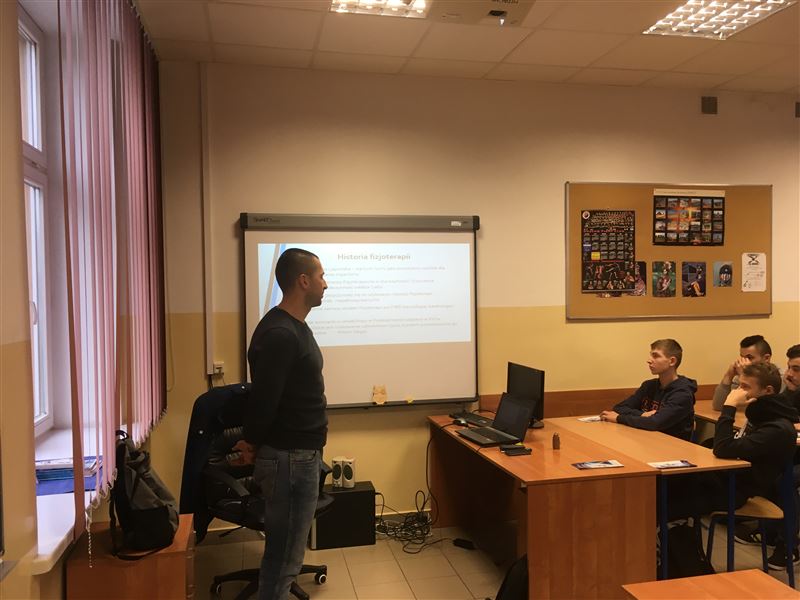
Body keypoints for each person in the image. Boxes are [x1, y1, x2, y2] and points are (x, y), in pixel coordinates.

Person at [236, 248, 329, 600]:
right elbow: (265, 400)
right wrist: (251, 442)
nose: (325, 284)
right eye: (321, 276)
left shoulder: (293, 327)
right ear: (303, 281)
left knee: (285, 555)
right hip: (291, 459)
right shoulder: (281, 334)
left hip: (299, 455)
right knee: (285, 559)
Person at [712, 363, 799, 569]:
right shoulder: (762, 412)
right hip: (732, 479)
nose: (738, 392)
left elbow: (722, 448)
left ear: (767, 391)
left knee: (785, 482)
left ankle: (786, 544)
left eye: (745, 387)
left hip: (739, 488)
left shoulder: (776, 425)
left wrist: (729, 406)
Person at [600, 339, 696, 440]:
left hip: (672, 445)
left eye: (656, 356)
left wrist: (619, 418)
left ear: (672, 361)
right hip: (646, 439)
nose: (649, 360)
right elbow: (619, 408)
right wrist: (642, 414)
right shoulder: (649, 386)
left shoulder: (683, 393)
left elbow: (655, 423)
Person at [711, 335, 773, 411]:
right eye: (742, 357)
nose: (743, 362)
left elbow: (756, 409)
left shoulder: (778, 377)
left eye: (749, 358)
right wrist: (728, 376)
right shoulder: (739, 377)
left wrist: (745, 377)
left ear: (766, 358)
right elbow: (718, 406)